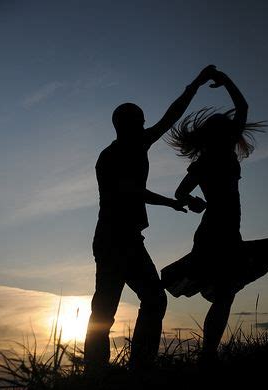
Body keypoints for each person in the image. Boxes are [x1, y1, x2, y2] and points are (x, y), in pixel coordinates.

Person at [84, 65, 221, 371]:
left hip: (124, 238)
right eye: (141, 121)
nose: (147, 126)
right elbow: (132, 191)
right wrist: (172, 202)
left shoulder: (128, 148)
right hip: (115, 239)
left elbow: (170, 117)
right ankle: (106, 372)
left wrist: (196, 83)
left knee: (142, 301)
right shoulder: (117, 154)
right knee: (119, 306)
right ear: (127, 125)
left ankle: (128, 368)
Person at [161, 70, 268, 363]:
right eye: (227, 127)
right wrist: (226, 81)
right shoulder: (211, 157)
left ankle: (208, 354)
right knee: (224, 294)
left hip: (226, 230)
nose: (233, 129)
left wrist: (192, 201)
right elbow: (181, 193)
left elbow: (181, 193)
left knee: (225, 293)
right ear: (219, 134)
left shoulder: (216, 155)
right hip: (216, 231)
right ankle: (207, 355)